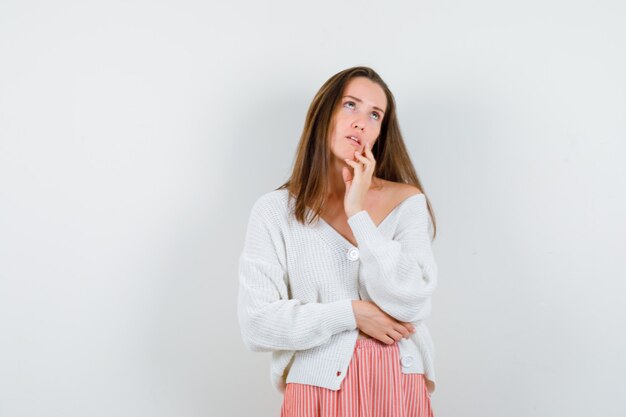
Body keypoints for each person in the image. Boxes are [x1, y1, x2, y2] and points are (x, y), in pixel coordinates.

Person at [237, 66, 439, 417]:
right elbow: (257, 323)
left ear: (380, 131)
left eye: (375, 114)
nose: (361, 122)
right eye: (350, 105)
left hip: (398, 386)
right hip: (315, 391)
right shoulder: (274, 211)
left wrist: (358, 213)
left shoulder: (407, 201)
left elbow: (410, 304)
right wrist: (350, 314)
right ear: (324, 114)